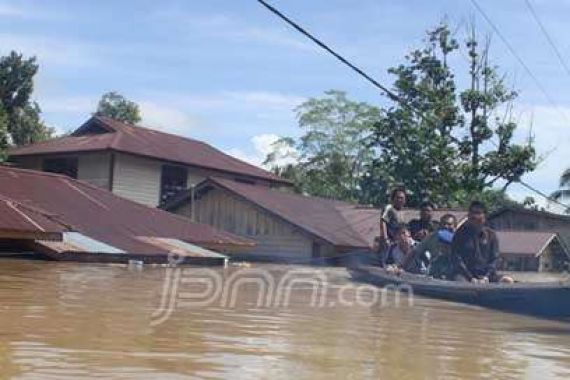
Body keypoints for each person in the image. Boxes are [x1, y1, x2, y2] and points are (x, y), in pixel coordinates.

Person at [451, 201, 501, 283]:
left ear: (485, 216)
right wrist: (471, 278)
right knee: (462, 283)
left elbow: (495, 259)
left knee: (507, 280)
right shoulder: (460, 234)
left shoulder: (491, 235)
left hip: (487, 275)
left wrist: (486, 277)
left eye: (478, 213)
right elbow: (456, 259)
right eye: (472, 213)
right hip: (465, 275)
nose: (474, 216)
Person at [379, 187, 407, 252]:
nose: (400, 200)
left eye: (402, 198)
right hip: (389, 242)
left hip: (398, 242)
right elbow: (383, 222)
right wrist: (386, 239)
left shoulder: (403, 212)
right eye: (398, 197)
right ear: (393, 198)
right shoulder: (389, 208)